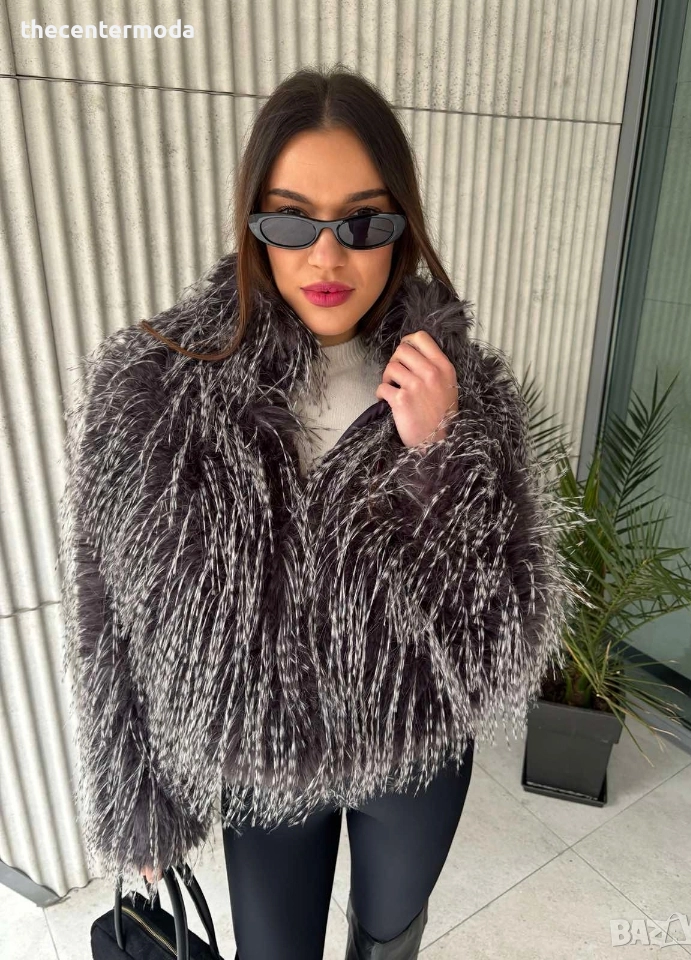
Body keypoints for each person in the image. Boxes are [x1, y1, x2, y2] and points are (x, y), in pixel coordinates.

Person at [59, 65, 577, 960]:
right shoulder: (160, 388)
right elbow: (109, 614)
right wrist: (138, 797)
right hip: (266, 761)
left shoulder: (464, 391)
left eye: (362, 223)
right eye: (293, 221)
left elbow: (508, 639)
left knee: (388, 943)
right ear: (254, 224)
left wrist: (440, 458)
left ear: (401, 227)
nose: (327, 258)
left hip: (412, 753)